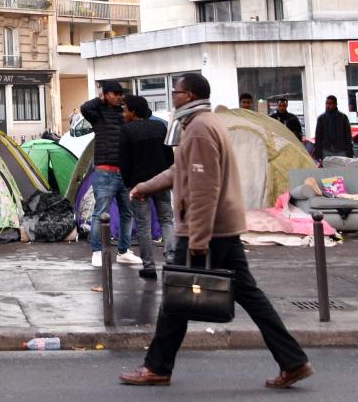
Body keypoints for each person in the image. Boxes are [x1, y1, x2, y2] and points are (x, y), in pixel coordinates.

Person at [122, 73, 313, 389]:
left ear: (191, 95)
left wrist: (198, 239)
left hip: (206, 231)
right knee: (248, 296)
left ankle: (157, 367)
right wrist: (145, 186)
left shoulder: (199, 129)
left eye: (177, 91)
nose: (173, 95)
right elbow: (179, 170)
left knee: (175, 298)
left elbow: (204, 188)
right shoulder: (202, 124)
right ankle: (293, 361)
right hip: (221, 228)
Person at [81, 81, 139, 267]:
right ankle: (97, 251)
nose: (118, 96)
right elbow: (85, 108)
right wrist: (99, 100)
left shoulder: (123, 114)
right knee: (100, 213)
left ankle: (124, 250)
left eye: (119, 93)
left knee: (127, 212)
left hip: (124, 171)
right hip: (105, 171)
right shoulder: (97, 113)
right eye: (114, 93)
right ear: (105, 94)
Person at [119, 96, 175, 280]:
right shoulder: (160, 127)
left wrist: (128, 184)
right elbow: (169, 157)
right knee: (167, 220)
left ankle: (149, 267)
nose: (123, 113)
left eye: (125, 109)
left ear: (134, 112)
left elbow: (124, 161)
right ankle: (172, 261)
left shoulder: (127, 131)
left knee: (144, 226)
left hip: (139, 185)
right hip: (162, 182)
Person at [313, 95, 353, 161]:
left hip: (341, 150)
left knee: (341, 170)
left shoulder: (343, 117)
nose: (328, 106)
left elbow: (348, 136)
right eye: (326, 103)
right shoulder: (321, 118)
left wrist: (350, 153)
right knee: (328, 171)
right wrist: (318, 154)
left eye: (330, 103)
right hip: (326, 150)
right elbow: (318, 137)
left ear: (335, 104)